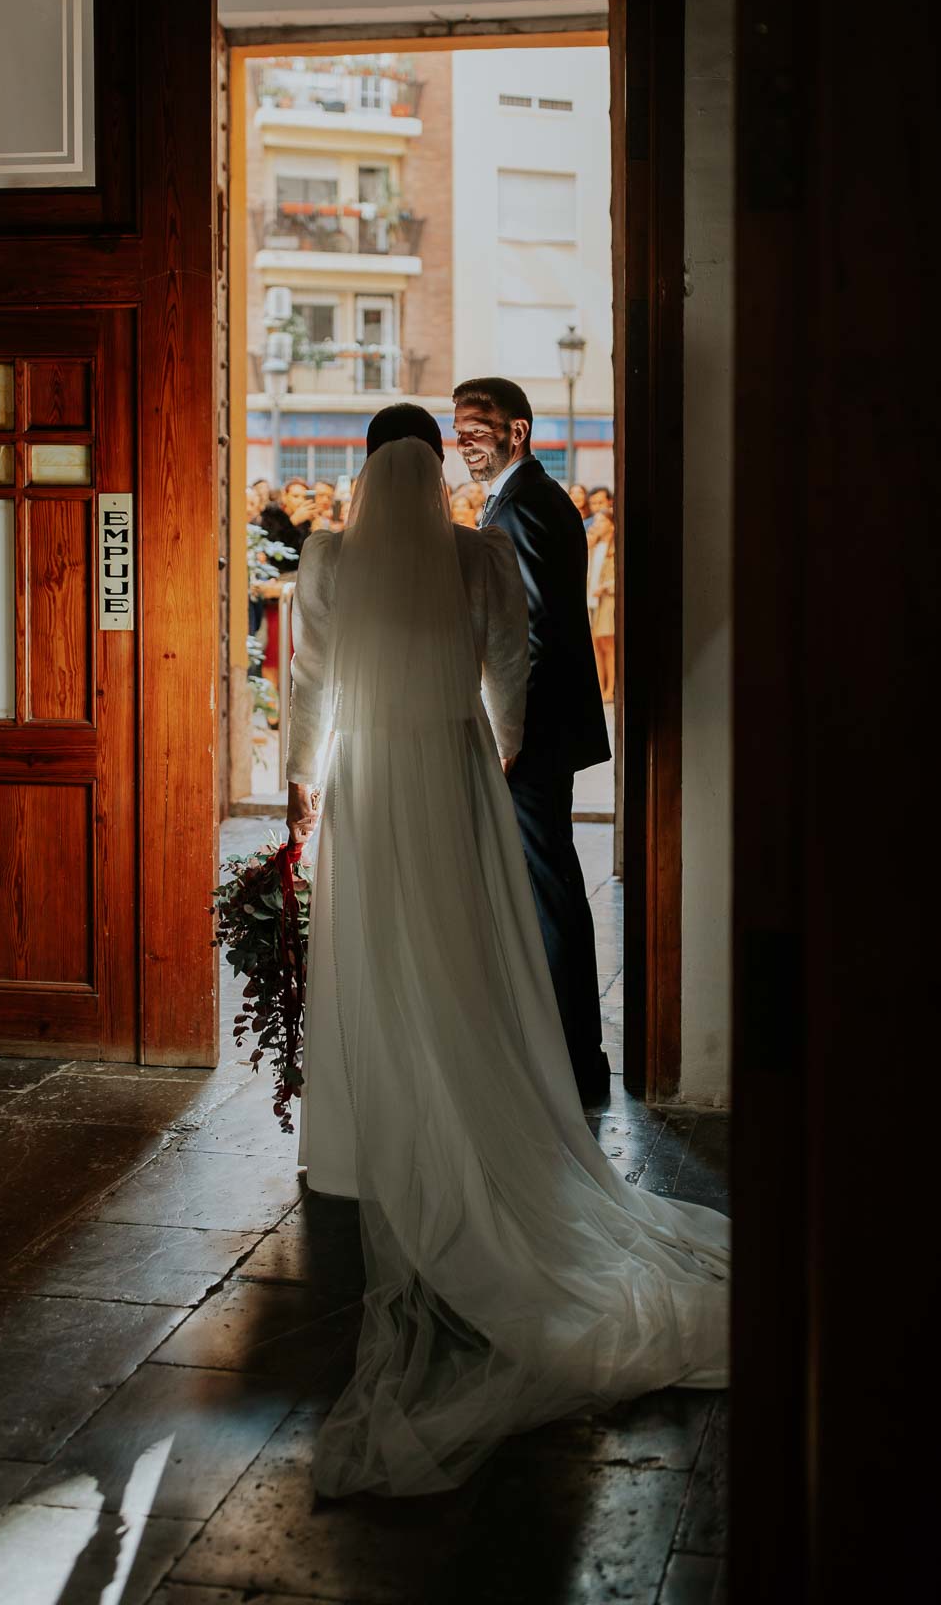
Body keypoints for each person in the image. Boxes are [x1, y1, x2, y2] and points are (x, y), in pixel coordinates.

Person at [285, 406, 728, 1500]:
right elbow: (512, 659)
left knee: (370, 942)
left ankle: (355, 1134)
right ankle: (474, 1086)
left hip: (369, 782)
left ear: (360, 466)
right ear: (435, 465)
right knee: (469, 942)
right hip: (452, 767)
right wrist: (503, 735)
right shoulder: (476, 549)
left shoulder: (331, 557)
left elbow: (305, 678)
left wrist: (303, 776)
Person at [453, 377, 612, 1104]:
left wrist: (508, 734)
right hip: (544, 726)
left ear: (515, 432)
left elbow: (536, 631)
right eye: (456, 427)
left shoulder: (521, 507)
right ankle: (570, 1054)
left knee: (546, 889)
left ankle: (575, 1063)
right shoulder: (528, 498)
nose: (462, 439)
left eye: (475, 427)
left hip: (534, 731)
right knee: (545, 885)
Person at [589, 507, 617, 703]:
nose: (595, 525)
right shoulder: (594, 547)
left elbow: (618, 577)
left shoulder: (615, 549)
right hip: (592, 600)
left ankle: (610, 688)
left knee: (608, 644)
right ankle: (599, 685)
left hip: (608, 600)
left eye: (600, 522)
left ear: (611, 525)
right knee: (596, 646)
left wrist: (606, 586)